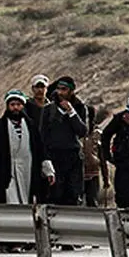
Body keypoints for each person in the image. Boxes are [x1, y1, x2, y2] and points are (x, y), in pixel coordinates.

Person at [0, 91, 56, 205]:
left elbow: (40, 149)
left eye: (18, 105)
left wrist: (48, 170)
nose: (15, 108)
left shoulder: (31, 126)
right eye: (12, 105)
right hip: (7, 171)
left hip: (27, 170)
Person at [42, 77, 88, 206]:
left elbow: (82, 131)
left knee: (73, 195)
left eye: (64, 89)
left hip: (73, 158)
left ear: (71, 91)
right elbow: (43, 137)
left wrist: (71, 112)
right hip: (54, 158)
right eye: (58, 89)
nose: (60, 93)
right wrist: (45, 160)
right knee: (55, 195)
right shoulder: (48, 110)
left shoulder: (79, 107)